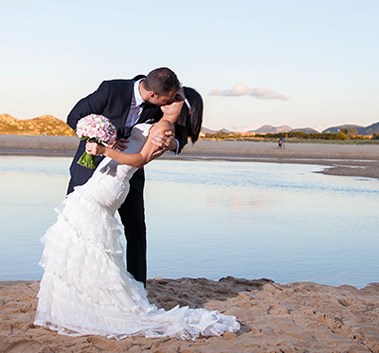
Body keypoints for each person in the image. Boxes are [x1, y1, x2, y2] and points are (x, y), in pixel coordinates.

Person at [35, 88, 239, 339]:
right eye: (171, 95)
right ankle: (84, 294)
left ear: (185, 109)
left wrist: (105, 151)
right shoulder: (145, 107)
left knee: (83, 231)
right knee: (84, 236)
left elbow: (141, 159)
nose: (169, 99)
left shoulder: (164, 128)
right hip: (108, 177)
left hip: (112, 181)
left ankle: (100, 296)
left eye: (176, 99)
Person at [65, 68, 187, 286]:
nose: (170, 103)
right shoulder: (111, 90)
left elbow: (180, 135)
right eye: (167, 100)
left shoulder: (162, 106)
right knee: (76, 225)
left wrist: (172, 144)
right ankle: (74, 279)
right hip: (90, 169)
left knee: (136, 229)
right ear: (152, 95)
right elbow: (74, 117)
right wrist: (105, 141)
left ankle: (138, 285)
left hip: (128, 177)